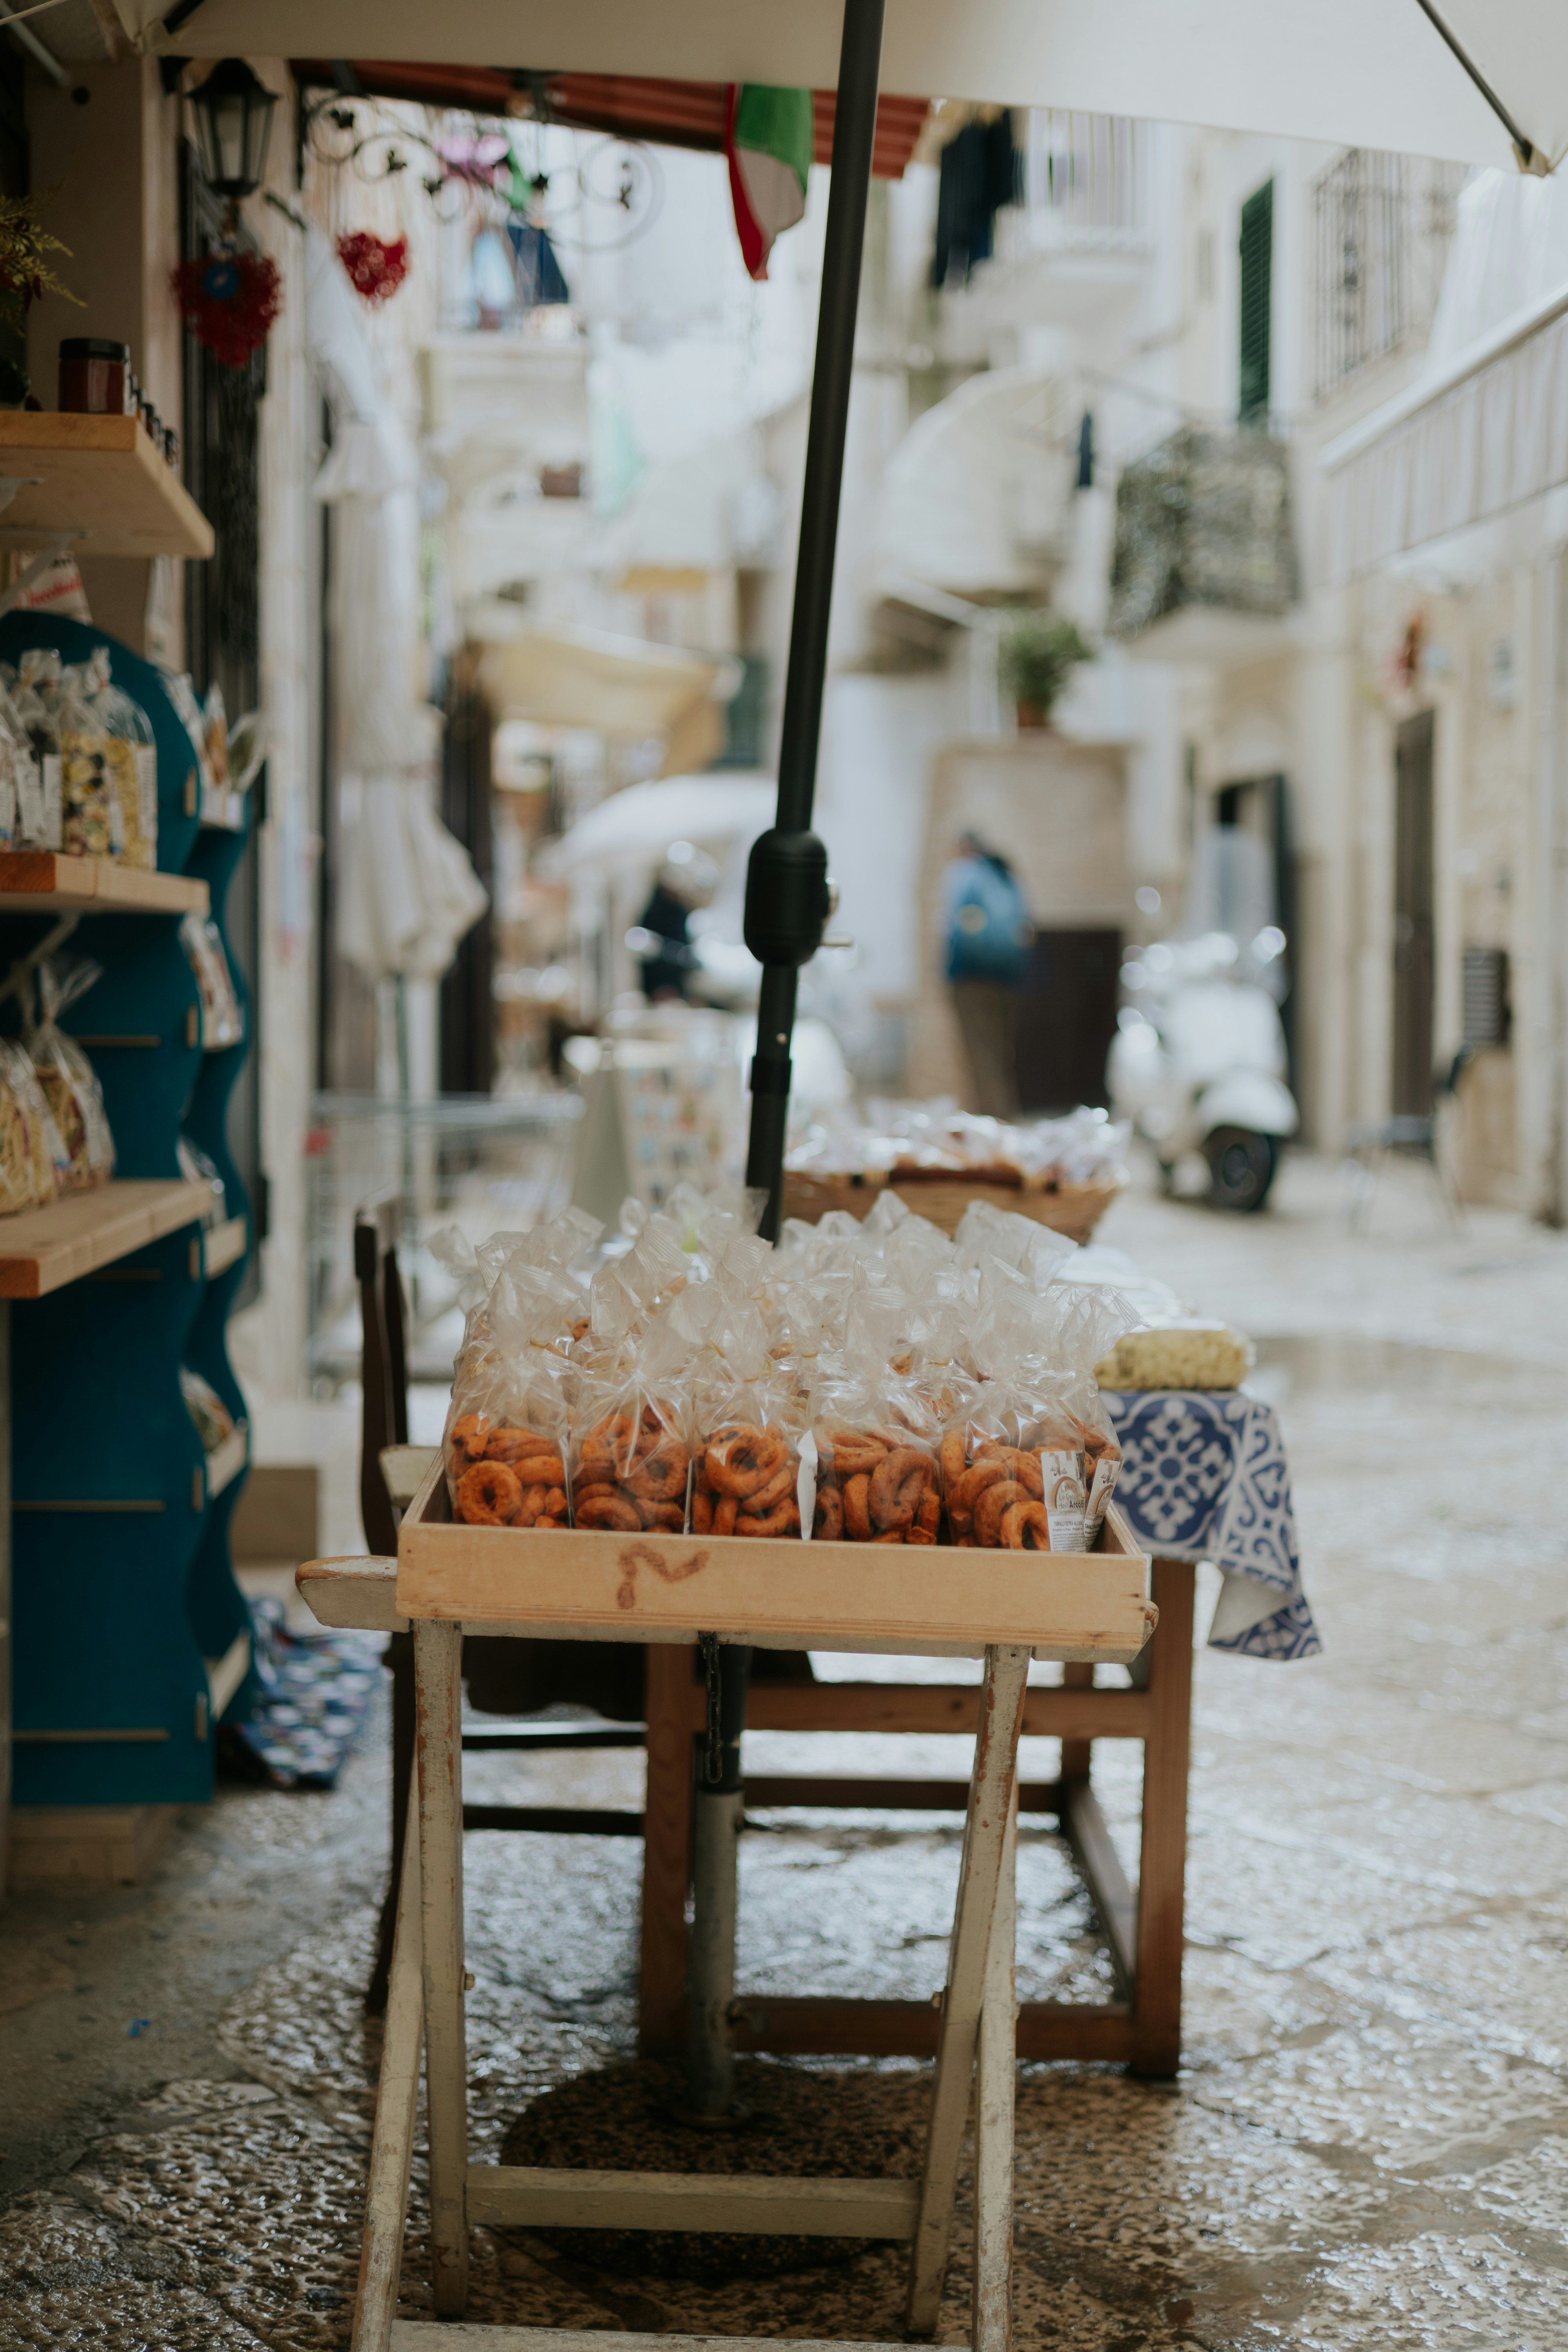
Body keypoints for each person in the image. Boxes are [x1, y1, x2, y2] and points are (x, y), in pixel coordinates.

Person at [942, 830, 1033, 1116]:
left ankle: (991, 1128)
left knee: (980, 1056)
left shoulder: (966, 873)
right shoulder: (1007, 876)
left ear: (965, 847)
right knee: (1001, 1055)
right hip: (1006, 977)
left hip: (971, 978)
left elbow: (956, 926)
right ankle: (1006, 1117)